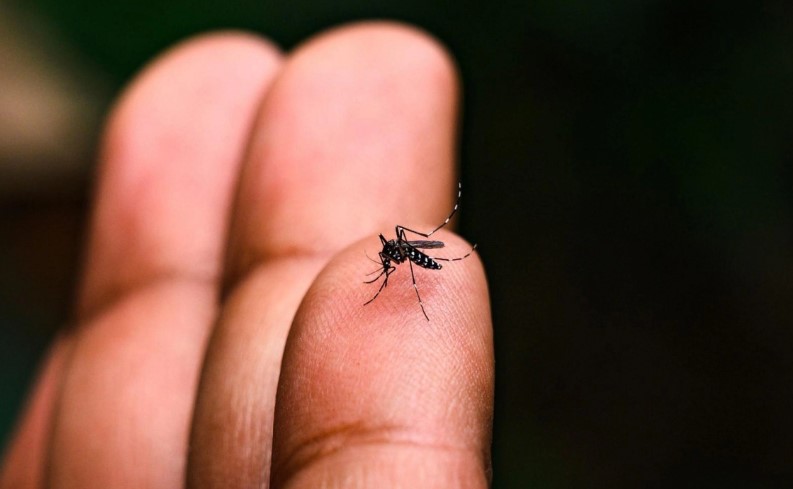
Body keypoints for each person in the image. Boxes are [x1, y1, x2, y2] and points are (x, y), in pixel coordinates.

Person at [0, 21, 494, 488]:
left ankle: (437, 263)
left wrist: (414, 270)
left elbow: (400, 261)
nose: (388, 258)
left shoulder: (404, 253)